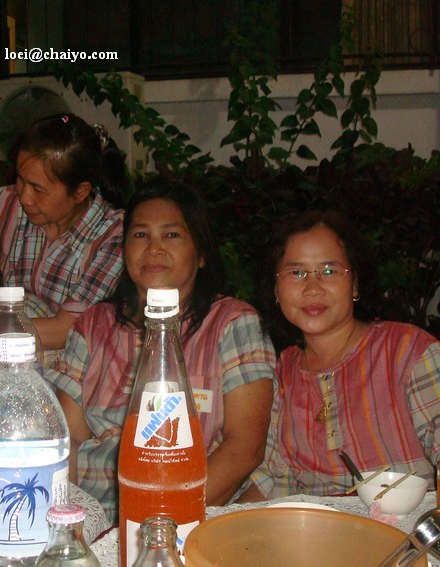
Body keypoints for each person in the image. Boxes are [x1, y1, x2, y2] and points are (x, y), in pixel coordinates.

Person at [46, 178, 277, 522]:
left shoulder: (231, 323)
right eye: (141, 234)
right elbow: (70, 441)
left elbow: (245, 448)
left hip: (192, 517)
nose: (154, 248)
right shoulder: (93, 324)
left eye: (171, 235)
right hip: (97, 516)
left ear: (201, 254)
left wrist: (160, 523)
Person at [244, 209, 440, 500]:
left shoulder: (406, 351)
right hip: (318, 527)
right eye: (296, 273)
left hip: (410, 524)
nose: (312, 288)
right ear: (276, 290)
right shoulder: (280, 375)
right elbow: (269, 483)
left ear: (355, 284)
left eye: (329, 271)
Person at [0, 114, 129, 351]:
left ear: (80, 192)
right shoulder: (4, 204)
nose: (25, 197)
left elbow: (66, 330)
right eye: (20, 179)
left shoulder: (113, 237)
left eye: (38, 189)